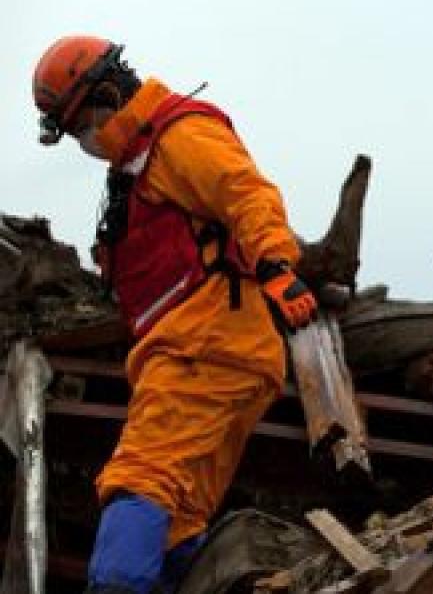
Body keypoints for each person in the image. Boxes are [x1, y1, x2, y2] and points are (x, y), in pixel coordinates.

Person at [32, 35, 317, 594]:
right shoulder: (140, 161)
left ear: (108, 94)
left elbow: (247, 194)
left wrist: (277, 265)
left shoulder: (179, 136)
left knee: (142, 476)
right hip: (219, 351)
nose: (81, 140)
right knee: (180, 511)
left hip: (205, 344)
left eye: (78, 124)